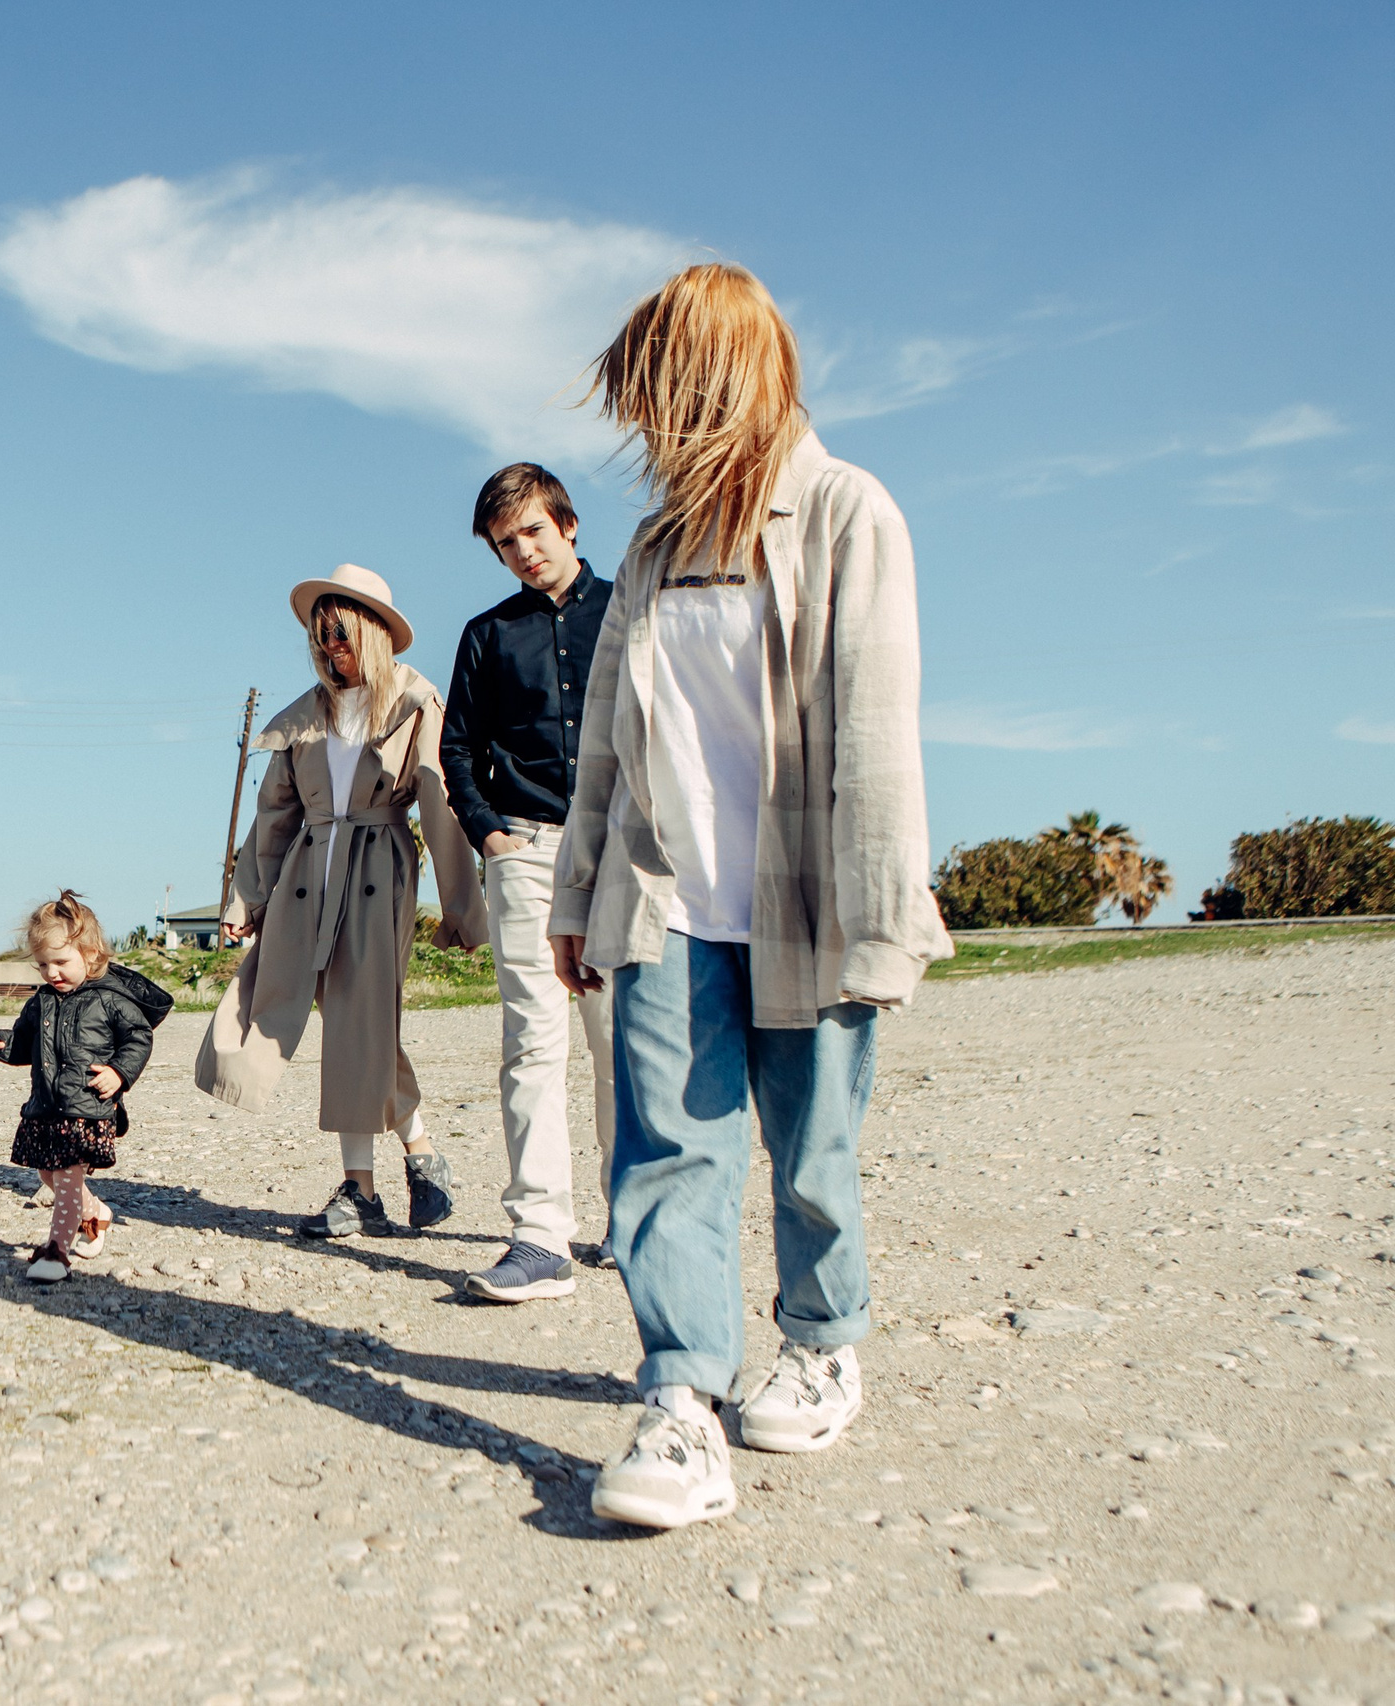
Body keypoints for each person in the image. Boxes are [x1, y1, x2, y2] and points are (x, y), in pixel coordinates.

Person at [549, 265, 953, 1531]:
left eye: (666, 394)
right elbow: (606, 739)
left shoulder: (846, 511)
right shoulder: (654, 546)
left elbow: (879, 738)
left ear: (722, 381)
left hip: (809, 895)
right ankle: (679, 1401)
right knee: (665, 1148)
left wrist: (884, 922)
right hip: (666, 896)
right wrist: (577, 892)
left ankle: (823, 1340)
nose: (651, 428)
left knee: (812, 1146)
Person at [195, 565, 487, 1240]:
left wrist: (462, 909)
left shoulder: (414, 703)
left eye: (342, 638)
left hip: (377, 871)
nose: (332, 654)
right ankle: (420, 1152)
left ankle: (362, 1190)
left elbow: (441, 808)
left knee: (360, 1020)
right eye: (321, 642)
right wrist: (246, 900)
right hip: (306, 879)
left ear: (375, 636)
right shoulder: (303, 717)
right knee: (345, 1023)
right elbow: (273, 814)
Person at [441, 462, 618, 1305]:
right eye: (506, 544)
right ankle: (541, 1237)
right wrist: (491, 835)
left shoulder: (630, 611)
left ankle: (637, 1221)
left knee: (622, 1038)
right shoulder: (486, 634)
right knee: (533, 1044)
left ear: (568, 524)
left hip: (623, 852)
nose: (523, 553)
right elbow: (455, 750)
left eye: (534, 534)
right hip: (527, 853)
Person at [0, 892, 174, 1283]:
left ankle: (56, 1252)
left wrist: (119, 1072)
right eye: (43, 964)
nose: (52, 973)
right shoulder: (42, 1001)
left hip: (88, 1107)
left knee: (65, 1177)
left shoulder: (110, 999)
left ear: (92, 953)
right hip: (48, 1106)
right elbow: (24, 1043)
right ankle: (96, 1214)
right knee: (48, 1175)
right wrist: (1, 1043)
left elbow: (138, 1038)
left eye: (62, 962)